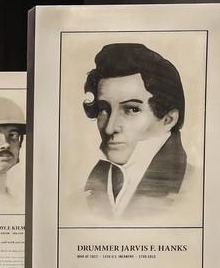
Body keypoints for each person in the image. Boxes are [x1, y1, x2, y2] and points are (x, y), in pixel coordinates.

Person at [81, 42, 196, 220]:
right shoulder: (85, 195)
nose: (110, 127)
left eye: (132, 109)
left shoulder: (196, 189)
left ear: (168, 119)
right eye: (104, 108)